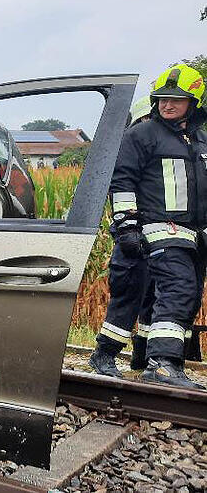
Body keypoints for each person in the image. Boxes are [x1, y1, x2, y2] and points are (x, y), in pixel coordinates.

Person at [107, 64, 207, 389]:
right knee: (178, 288)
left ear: (194, 102)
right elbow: (121, 181)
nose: (167, 104)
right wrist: (126, 228)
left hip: (195, 236)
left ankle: (146, 358)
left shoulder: (200, 139)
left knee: (181, 297)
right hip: (160, 229)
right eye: (162, 99)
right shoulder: (142, 134)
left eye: (176, 100)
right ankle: (162, 365)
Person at [90, 98, 156, 377]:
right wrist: (128, 231)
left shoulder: (161, 151)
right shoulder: (129, 153)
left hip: (158, 236)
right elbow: (121, 191)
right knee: (128, 294)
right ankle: (103, 355)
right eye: (145, 121)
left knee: (152, 299)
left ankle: (142, 358)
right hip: (132, 238)